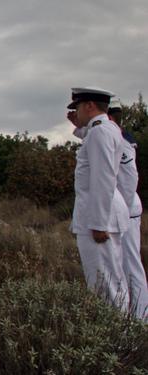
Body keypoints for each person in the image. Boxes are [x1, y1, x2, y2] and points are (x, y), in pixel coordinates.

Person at [66, 87, 130, 312]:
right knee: (112, 280)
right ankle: (123, 336)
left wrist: (99, 224)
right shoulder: (106, 129)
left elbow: (102, 179)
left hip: (100, 219)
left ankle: (119, 340)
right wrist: (79, 128)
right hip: (105, 215)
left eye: (78, 107)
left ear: (89, 106)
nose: (76, 112)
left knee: (105, 285)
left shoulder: (100, 132)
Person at [108, 100, 148, 320]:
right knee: (122, 265)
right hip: (123, 209)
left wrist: (120, 205)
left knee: (131, 265)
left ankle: (141, 317)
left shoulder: (121, 141)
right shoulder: (114, 136)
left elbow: (129, 179)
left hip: (126, 210)